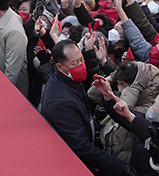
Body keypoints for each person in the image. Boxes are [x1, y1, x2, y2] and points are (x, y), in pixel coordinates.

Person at [41, 39, 136, 176]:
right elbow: (81, 147)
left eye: (81, 59)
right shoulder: (61, 103)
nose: (81, 65)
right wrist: (118, 167)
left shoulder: (69, 80)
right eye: (75, 63)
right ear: (61, 67)